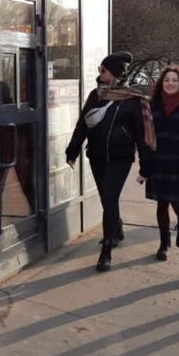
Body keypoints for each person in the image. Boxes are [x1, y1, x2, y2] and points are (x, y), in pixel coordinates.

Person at [66, 51, 155, 272]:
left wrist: (146, 164)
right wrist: (73, 149)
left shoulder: (133, 100)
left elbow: (142, 135)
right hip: (96, 155)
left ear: (114, 74)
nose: (100, 73)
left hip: (121, 157)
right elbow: (82, 125)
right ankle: (117, 229)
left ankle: (106, 251)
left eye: (103, 70)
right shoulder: (95, 95)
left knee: (109, 197)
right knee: (108, 201)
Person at [138, 65, 179, 261]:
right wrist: (145, 163)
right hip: (158, 161)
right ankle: (165, 243)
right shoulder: (151, 106)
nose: (170, 83)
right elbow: (145, 135)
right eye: (166, 80)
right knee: (161, 203)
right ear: (161, 83)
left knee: (178, 202)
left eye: (174, 80)